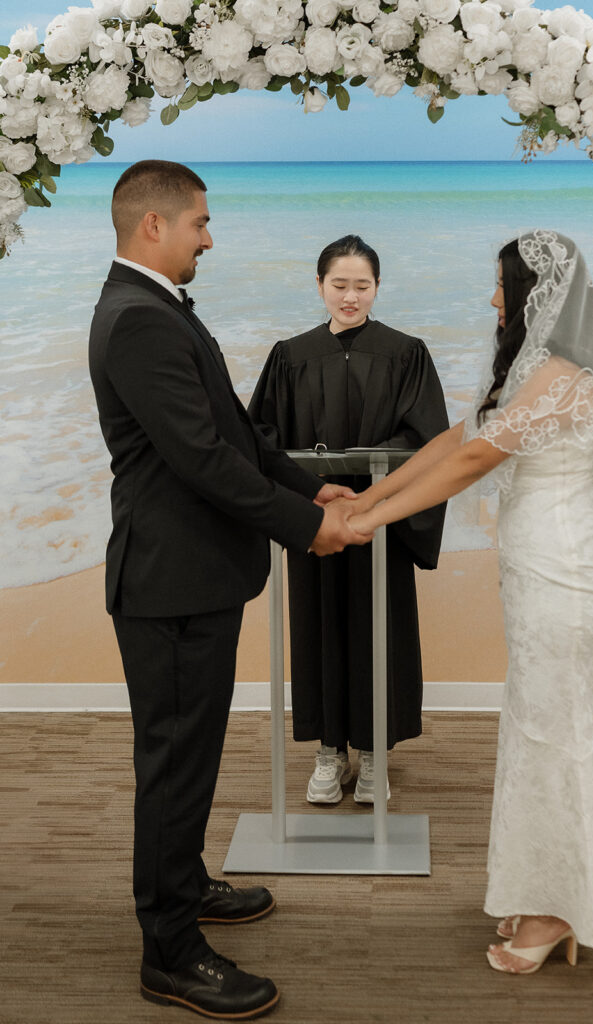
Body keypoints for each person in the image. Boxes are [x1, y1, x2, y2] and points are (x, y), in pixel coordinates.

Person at [88, 161, 369, 1020]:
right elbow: (200, 460)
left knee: (192, 754)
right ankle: (169, 954)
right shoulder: (136, 320)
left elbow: (236, 431)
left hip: (196, 573)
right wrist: (304, 526)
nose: (210, 237)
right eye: (200, 223)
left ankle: (183, 885)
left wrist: (301, 487)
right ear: (153, 227)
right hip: (168, 579)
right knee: (173, 766)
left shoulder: (157, 307)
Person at [345, 230, 593, 972]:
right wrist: (367, 497)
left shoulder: (563, 373)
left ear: (537, 296)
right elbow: (457, 438)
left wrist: (363, 526)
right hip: (541, 561)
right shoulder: (538, 370)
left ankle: (553, 911)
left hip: (563, 566)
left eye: (501, 287)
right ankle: (561, 890)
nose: (492, 299)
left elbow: (479, 459)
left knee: (553, 726)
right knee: (546, 718)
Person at [248, 235, 449, 804]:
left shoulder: (407, 353)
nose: (350, 296)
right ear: (319, 286)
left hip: (382, 519)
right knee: (317, 630)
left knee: (376, 630)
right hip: (314, 519)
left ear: (377, 288)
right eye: (339, 285)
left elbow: (426, 440)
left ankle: (374, 756)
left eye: (362, 285)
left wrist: (369, 500)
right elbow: (260, 438)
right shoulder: (289, 356)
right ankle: (328, 752)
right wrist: (309, 495)